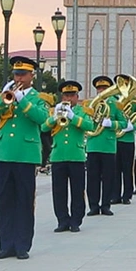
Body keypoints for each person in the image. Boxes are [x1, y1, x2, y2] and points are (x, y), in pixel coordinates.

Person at [0, 56, 51, 260]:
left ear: (32, 75)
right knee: (4, 201)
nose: (19, 77)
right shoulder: (7, 94)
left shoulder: (38, 98)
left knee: (24, 200)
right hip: (4, 152)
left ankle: (22, 245)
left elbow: (42, 119)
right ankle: (6, 245)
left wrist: (23, 100)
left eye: (23, 74)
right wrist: (1, 98)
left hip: (25, 153)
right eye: (16, 74)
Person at [44, 80, 93, 233]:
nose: (69, 98)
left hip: (76, 155)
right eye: (66, 95)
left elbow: (89, 126)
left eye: (72, 95)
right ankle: (62, 220)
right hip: (58, 155)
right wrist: (54, 117)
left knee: (77, 190)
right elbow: (43, 127)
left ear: (77, 96)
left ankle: (76, 220)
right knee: (59, 191)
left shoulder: (83, 111)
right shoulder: (55, 111)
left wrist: (72, 116)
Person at [86, 76, 127, 217]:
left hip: (109, 145)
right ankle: (93, 206)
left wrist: (112, 124)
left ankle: (106, 205)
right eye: (99, 88)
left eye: (104, 88)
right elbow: (85, 122)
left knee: (109, 177)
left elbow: (124, 123)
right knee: (92, 178)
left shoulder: (116, 104)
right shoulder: (90, 104)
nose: (101, 91)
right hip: (92, 145)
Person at [112, 75, 136, 206]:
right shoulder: (113, 101)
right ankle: (115, 195)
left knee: (127, 169)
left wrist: (133, 126)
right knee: (116, 169)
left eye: (127, 84)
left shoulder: (133, 102)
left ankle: (127, 195)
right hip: (115, 140)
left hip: (127, 139)